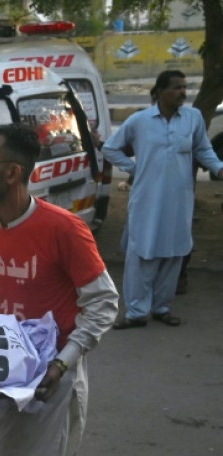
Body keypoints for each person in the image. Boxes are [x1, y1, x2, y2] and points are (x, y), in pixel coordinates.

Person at [0, 123, 119, 456]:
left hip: (50, 380)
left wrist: (62, 363)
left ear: (12, 173)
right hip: (3, 376)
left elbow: (104, 303)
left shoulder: (64, 229)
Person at [103, 70, 223, 329]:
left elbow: (203, 149)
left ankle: (161, 308)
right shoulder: (140, 120)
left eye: (184, 87)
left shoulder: (193, 118)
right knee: (142, 253)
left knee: (174, 252)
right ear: (159, 92)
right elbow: (110, 148)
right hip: (147, 197)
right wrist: (135, 168)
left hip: (180, 198)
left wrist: (219, 168)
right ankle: (136, 312)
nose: (182, 92)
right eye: (176, 88)